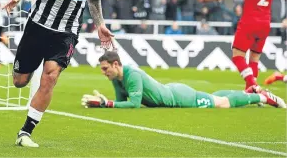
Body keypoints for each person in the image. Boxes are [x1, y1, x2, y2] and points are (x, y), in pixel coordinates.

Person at [3, 0, 115, 147]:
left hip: (67, 31)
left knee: (51, 76)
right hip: (38, 25)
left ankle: (25, 132)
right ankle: (29, 68)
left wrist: (100, 24)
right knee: (20, 81)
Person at [196, 0, 287, 92]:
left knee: (238, 57)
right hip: (265, 24)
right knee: (254, 60)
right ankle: (250, 91)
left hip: (249, 22)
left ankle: (254, 86)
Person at [81, 51, 286, 109]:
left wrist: (107, 104)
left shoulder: (131, 74)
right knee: (213, 97)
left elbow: (133, 104)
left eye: (105, 68)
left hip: (179, 98)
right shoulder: (117, 79)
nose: (103, 72)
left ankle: (262, 98)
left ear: (116, 64)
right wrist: (104, 104)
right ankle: (248, 93)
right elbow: (122, 102)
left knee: (221, 104)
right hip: (172, 91)